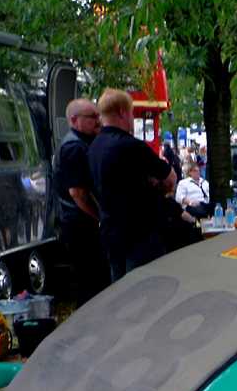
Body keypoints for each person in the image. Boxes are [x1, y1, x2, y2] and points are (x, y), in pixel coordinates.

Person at [87, 88, 177, 281]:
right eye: (131, 112)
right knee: (147, 290)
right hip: (141, 234)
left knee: (120, 293)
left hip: (111, 233)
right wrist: (157, 187)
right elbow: (170, 178)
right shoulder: (131, 146)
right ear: (122, 112)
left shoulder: (93, 148)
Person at [54, 98, 110, 305]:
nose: (98, 121)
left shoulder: (82, 143)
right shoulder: (74, 148)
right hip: (80, 225)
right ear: (74, 120)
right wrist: (98, 217)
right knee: (91, 282)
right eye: (92, 117)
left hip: (81, 223)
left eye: (98, 116)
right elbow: (77, 193)